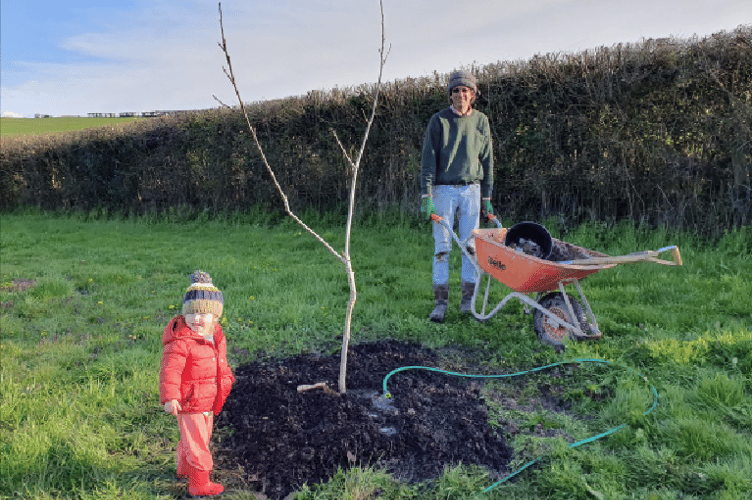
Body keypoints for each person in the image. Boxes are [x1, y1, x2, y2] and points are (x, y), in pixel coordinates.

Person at [419, 70, 495, 323]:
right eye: (456, 91)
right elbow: (428, 161)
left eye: (466, 90)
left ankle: (467, 302)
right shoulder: (438, 122)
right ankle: (440, 304)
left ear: (473, 95)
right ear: (450, 95)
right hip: (443, 191)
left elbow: (488, 161)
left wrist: (487, 198)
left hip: (472, 191)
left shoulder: (481, 121)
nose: (461, 95)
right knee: (442, 248)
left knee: (470, 248)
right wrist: (426, 195)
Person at [160, 270, 235, 497]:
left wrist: (227, 379)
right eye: (192, 312)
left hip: (207, 401)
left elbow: (220, 363)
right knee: (198, 444)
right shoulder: (181, 341)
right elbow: (170, 370)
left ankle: (184, 470)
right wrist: (171, 396)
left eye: (203, 313)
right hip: (190, 401)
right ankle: (199, 483)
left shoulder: (216, 336)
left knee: (194, 438)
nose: (197, 318)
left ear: (215, 317)